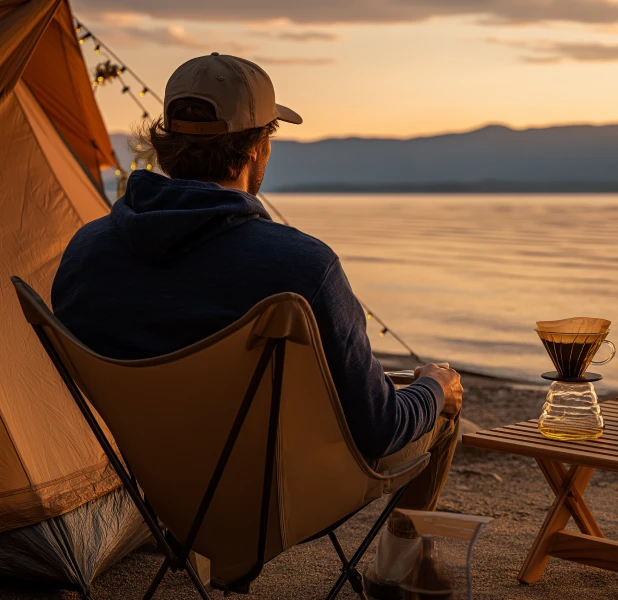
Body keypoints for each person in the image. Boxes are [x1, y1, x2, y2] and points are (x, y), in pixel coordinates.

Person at [51, 53, 463, 597]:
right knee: (443, 402)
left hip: (158, 492)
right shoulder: (301, 268)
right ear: (256, 146)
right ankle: (396, 576)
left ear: (166, 143)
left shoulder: (85, 253)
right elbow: (382, 430)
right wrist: (435, 385)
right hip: (277, 502)